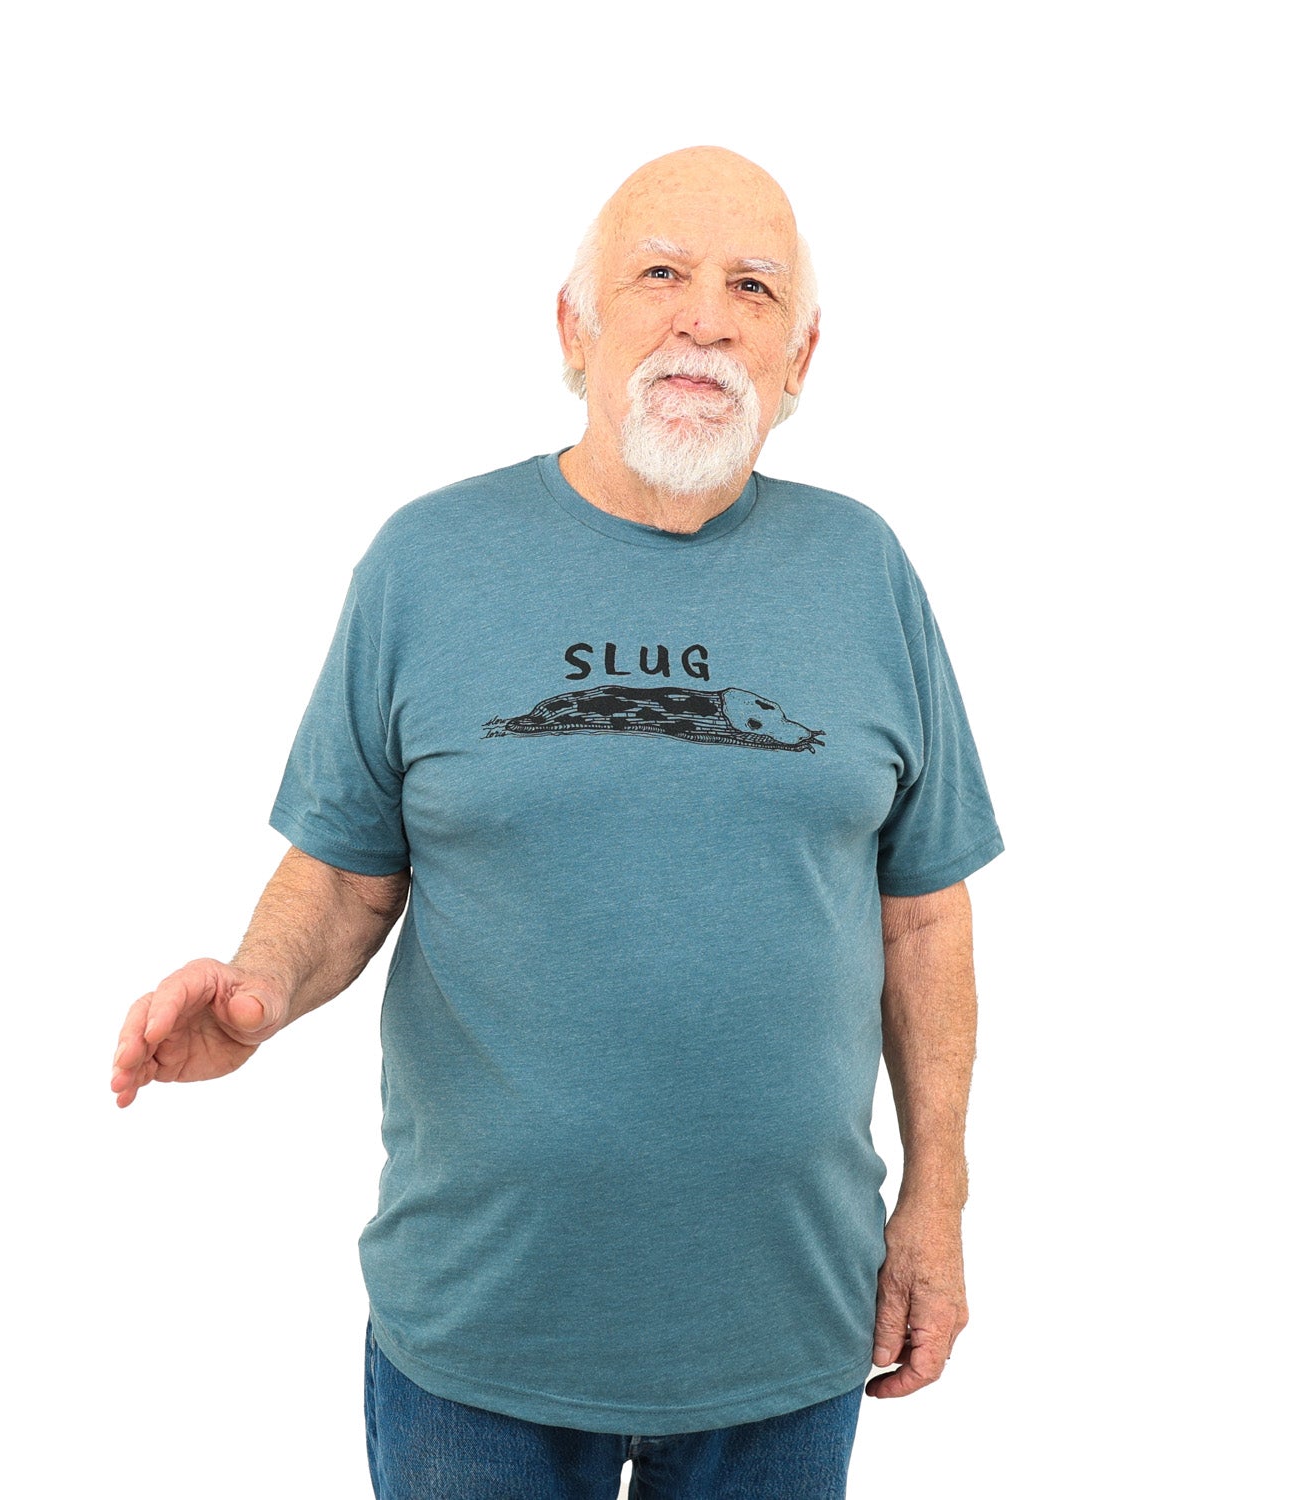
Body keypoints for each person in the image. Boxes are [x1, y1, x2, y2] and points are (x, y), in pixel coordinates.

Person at [111, 145, 1004, 1499]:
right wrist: (254, 995)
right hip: (476, 1343)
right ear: (573, 327)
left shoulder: (865, 570)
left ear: (802, 350)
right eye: (660, 274)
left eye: (752, 287)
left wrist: (935, 1203)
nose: (706, 316)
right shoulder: (428, 560)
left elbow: (925, 912)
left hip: (787, 1336)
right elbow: (348, 877)